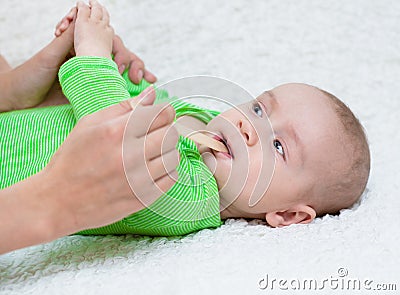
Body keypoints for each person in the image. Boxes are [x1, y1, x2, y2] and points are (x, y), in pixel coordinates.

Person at [2, 0, 371, 247]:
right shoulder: (206, 121)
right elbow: (138, 102)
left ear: (287, 214)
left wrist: (93, 57)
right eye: (259, 109)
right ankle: (14, 92)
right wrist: (114, 64)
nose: (248, 127)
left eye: (278, 146)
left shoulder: (191, 198)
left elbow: (117, 131)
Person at [0, 1, 179, 254]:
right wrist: (108, 71)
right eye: (256, 110)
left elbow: (134, 151)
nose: (245, 129)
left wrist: (9, 90)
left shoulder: (197, 188)